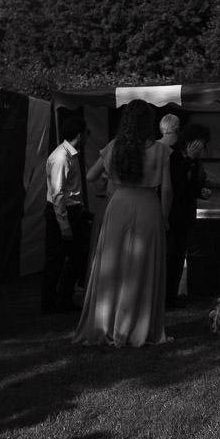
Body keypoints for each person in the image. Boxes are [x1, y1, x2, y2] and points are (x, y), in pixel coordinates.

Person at [72, 99, 171, 347]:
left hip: (119, 205)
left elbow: (91, 176)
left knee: (112, 267)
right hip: (148, 206)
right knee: (142, 267)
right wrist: (165, 216)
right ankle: (139, 324)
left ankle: (108, 322)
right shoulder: (160, 150)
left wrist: (107, 178)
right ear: (148, 123)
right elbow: (168, 190)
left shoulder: (115, 147)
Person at [41, 116, 90, 314]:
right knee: (56, 259)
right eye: (86, 133)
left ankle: (63, 299)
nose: (88, 137)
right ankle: (49, 304)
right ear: (80, 135)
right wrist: (64, 224)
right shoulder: (61, 157)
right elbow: (58, 192)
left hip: (71, 211)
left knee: (78, 257)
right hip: (61, 212)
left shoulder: (71, 155)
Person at [165, 122, 211, 308]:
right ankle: (166, 295)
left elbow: (191, 185)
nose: (202, 148)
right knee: (171, 254)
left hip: (186, 214)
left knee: (179, 255)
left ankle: (173, 294)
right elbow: (174, 180)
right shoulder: (174, 156)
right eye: (201, 143)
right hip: (173, 213)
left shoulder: (194, 161)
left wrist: (202, 192)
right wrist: (189, 159)